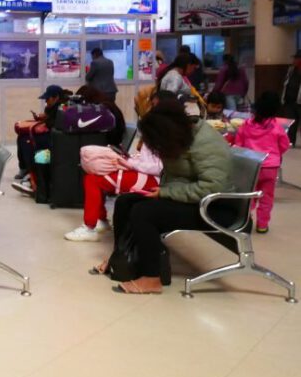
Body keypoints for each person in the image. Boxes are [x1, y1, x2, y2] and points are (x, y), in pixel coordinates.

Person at [94, 98, 231, 294]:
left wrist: (166, 193)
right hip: (188, 198)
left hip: (214, 208)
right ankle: (121, 257)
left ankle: (151, 278)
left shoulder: (206, 143)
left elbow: (212, 187)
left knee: (144, 212)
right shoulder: (182, 137)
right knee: (125, 201)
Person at [64, 144, 162, 242]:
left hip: (152, 180)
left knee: (93, 180)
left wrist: (129, 162)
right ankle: (100, 219)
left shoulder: (161, 135)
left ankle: (90, 227)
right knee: (94, 176)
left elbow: (159, 167)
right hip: (149, 176)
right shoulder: (158, 133)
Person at [234, 92, 290, 233]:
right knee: (266, 197)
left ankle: (245, 221)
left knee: (249, 196)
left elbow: (238, 143)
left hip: (251, 166)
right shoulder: (277, 128)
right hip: (270, 167)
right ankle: (262, 225)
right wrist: (276, 155)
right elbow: (284, 145)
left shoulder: (246, 125)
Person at [12, 84, 64, 186]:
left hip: (55, 138)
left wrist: (45, 119)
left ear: (56, 97)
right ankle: (25, 168)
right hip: (49, 133)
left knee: (29, 141)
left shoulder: (62, 108)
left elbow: (55, 125)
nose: (46, 101)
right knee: (22, 136)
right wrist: (43, 117)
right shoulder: (51, 107)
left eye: (48, 99)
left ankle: (33, 173)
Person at [280, 50, 301, 145]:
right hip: (289, 100)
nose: (294, 60)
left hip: (299, 101)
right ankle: (291, 141)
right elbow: (286, 83)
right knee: (291, 122)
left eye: (296, 58)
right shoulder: (291, 70)